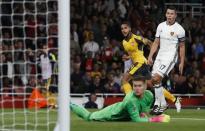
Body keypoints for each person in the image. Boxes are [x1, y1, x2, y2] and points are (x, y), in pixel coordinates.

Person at [120, 21, 181, 113]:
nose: (124, 30)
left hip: (140, 63)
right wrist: (128, 57)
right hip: (137, 63)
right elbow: (135, 52)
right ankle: (174, 99)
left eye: (125, 28)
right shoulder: (124, 42)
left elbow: (150, 43)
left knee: (124, 80)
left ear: (130, 29)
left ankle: (130, 103)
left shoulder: (137, 38)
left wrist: (151, 56)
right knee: (151, 84)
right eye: (122, 29)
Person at [70, 77, 170, 122]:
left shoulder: (149, 95)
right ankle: (69, 104)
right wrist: (155, 119)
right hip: (111, 114)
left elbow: (143, 111)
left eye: (139, 86)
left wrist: (146, 113)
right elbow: (136, 120)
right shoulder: (131, 100)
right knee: (89, 116)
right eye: (135, 86)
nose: (137, 88)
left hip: (125, 116)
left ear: (145, 87)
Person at [148, 6, 185, 115]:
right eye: (168, 13)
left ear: (175, 15)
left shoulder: (180, 29)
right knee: (154, 81)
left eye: (172, 14)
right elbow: (156, 42)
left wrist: (182, 62)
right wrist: (150, 56)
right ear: (165, 14)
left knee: (156, 78)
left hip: (170, 57)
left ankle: (160, 103)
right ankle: (163, 102)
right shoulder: (160, 26)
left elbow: (182, 47)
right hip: (160, 56)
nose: (169, 15)